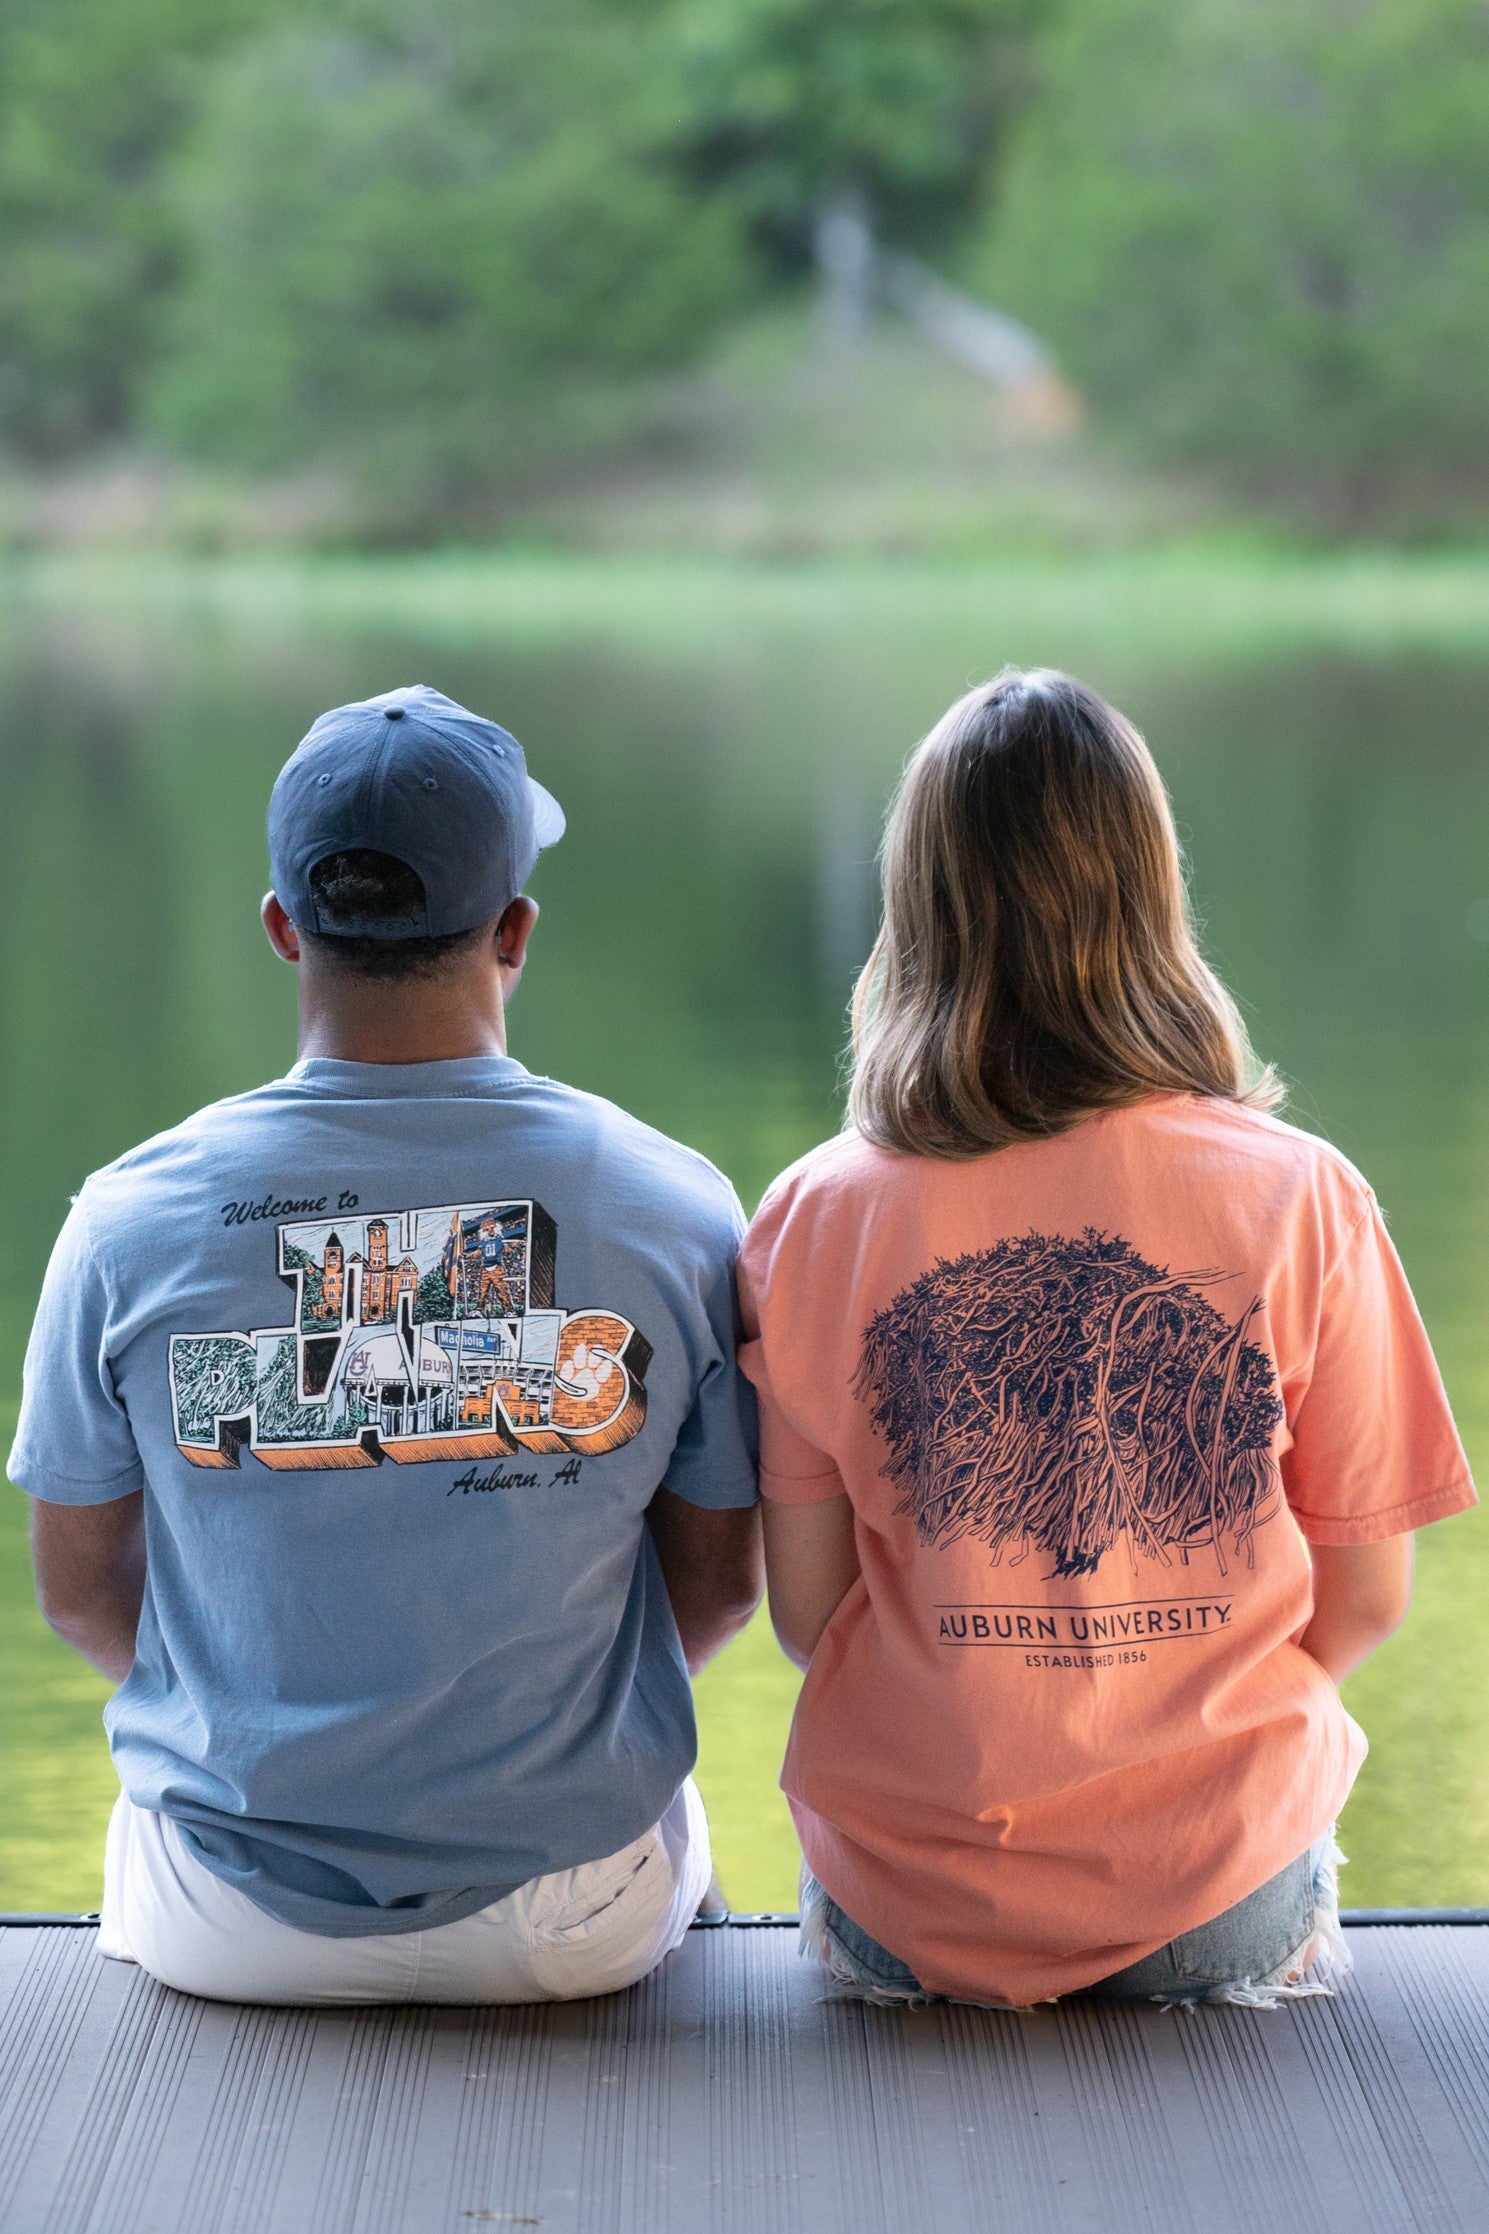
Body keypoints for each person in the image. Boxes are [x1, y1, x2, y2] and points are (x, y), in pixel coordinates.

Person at [11, 683, 761, 2006]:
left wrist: (268, 1717)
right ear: (515, 929)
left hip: (230, 1924)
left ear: (281, 929)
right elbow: (715, 1586)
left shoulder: (129, 1219)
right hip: (564, 1917)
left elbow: (78, 1590)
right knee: (675, 1820)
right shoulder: (671, 1206)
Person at [739, 668, 1474, 2011]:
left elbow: (809, 1614)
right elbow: (1364, 1599)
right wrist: (1173, 1739)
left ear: (919, 905)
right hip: (1217, 1897)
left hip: (907, 1901)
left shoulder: (812, 1215)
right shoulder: (1302, 1195)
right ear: (1148, 894)